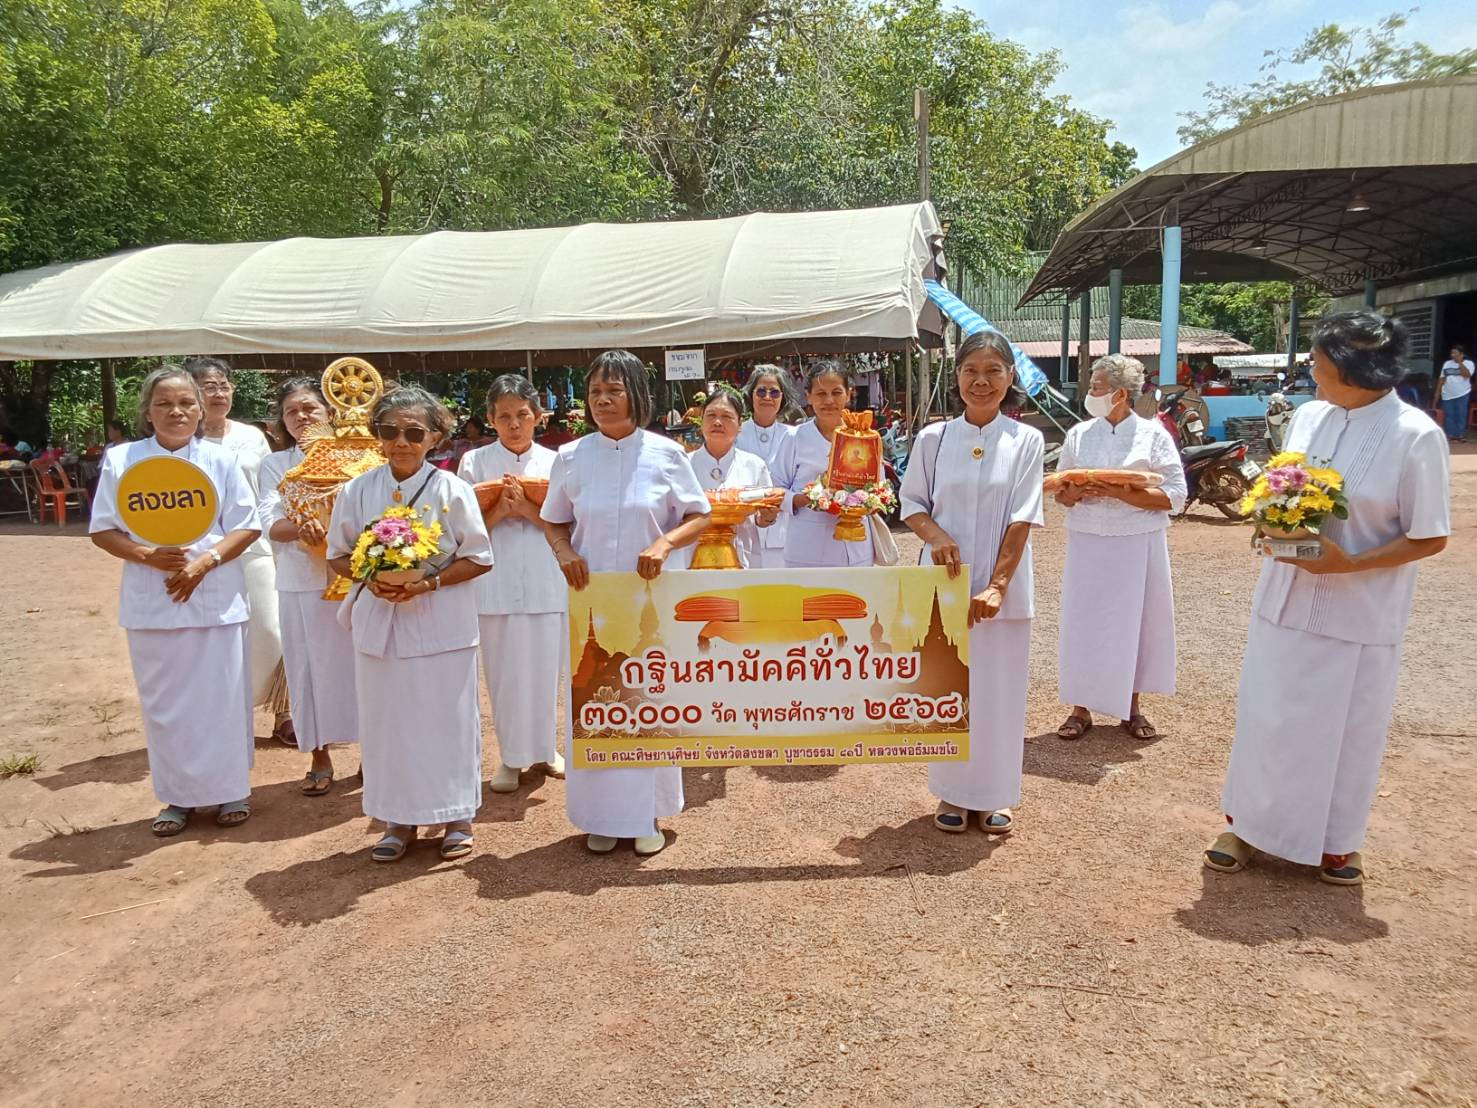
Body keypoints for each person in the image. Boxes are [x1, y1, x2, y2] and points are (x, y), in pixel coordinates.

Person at [1206, 311, 1449, 885]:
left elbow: (1431, 534)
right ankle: (1246, 827)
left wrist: (1352, 563)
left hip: (1358, 611)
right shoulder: (1309, 417)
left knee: (1345, 728)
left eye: (1321, 365)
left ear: (1360, 370)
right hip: (1284, 598)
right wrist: (1271, 523)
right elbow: (1282, 484)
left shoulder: (1416, 435)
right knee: (1267, 716)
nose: (1312, 373)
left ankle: (1339, 842)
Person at [541, 350, 710, 855]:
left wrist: (663, 544)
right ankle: (601, 814)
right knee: (597, 700)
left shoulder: (667, 454)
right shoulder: (571, 457)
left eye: (614, 390)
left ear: (637, 394)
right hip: (591, 604)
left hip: (650, 603)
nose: (604, 400)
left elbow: (699, 515)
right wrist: (564, 550)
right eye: (595, 392)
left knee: (648, 697)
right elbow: (554, 519)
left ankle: (645, 814)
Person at [89, 365, 261, 836]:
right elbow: (103, 529)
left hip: (217, 594)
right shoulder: (123, 460)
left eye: (186, 402)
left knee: (222, 697)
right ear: (147, 412)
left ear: (201, 409)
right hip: (153, 601)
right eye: (164, 403)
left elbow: (246, 525)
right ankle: (177, 798)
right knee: (165, 705)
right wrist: (147, 554)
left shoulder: (222, 460)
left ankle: (231, 792)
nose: (176, 411)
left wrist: (203, 563)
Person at [327, 385, 493, 863]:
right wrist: (372, 574)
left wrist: (428, 583)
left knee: (447, 719)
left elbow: (480, 558)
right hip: (381, 621)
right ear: (376, 434)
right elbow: (338, 554)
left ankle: (457, 816)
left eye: (414, 432)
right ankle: (397, 820)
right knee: (388, 723)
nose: (401, 441)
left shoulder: (452, 489)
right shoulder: (357, 490)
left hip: (442, 622)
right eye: (389, 431)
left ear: (435, 437)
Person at [901, 330, 1045, 834]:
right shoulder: (932, 439)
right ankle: (952, 794)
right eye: (970, 371)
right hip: (941, 587)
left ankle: (996, 794)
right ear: (957, 376)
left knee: (1000, 691)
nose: (981, 382)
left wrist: (998, 586)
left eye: (993, 371)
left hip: (1001, 591)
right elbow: (911, 504)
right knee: (949, 685)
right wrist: (935, 535)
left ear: (1010, 377)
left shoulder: (1026, 440)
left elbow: (1023, 516)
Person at [1055, 354, 1187, 743]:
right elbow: (1061, 493)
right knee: (1085, 622)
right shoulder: (1079, 434)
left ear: (1121, 394)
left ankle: (1131, 706)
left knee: (1134, 622)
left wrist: (1118, 491)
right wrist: (1075, 492)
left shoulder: (1153, 435)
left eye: (1096, 387)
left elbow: (1174, 495)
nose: (1090, 393)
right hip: (1088, 540)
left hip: (1137, 541)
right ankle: (1080, 708)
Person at [457, 375, 567, 794]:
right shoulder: (474, 463)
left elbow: (566, 523)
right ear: (491, 419)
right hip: (495, 582)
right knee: (503, 674)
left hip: (544, 577)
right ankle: (509, 756)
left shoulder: (558, 461)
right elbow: (463, 529)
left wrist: (526, 508)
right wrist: (501, 513)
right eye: (504, 417)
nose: (514, 424)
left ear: (538, 416)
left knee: (546, 671)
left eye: (522, 415)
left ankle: (545, 750)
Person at [258, 378, 358, 796]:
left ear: (330, 412)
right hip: (301, 579)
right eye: (291, 412)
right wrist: (302, 529)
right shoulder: (276, 464)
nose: (301, 417)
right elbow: (266, 519)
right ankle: (319, 754)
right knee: (307, 669)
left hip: (354, 575)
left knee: (361, 665)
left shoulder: (358, 455)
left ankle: (373, 754)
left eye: (310, 409)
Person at [184, 357, 291, 743]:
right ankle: (224, 718)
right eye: (208, 386)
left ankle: (284, 712)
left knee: (271, 628)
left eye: (223, 385)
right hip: (203, 554)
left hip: (256, 546)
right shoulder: (183, 443)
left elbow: (270, 492)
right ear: (192, 392)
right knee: (216, 637)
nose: (218, 393)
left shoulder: (251, 436)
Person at [776, 361, 876, 567]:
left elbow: (878, 486)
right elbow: (775, 489)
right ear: (808, 396)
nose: (829, 400)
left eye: (837, 392)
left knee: (858, 598)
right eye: (821, 394)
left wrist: (868, 502)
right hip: (807, 548)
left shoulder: (864, 437)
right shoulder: (794, 437)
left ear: (849, 394)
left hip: (855, 547)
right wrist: (803, 499)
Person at [680, 389, 777, 567]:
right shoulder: (682, 465)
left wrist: (767, 517)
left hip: (742, 559)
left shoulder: (754, 465)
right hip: (692, 560)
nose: (717, 422)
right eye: (711, 415)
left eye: (726, 416)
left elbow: (762, 518)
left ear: (740, 424)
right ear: (701, 421)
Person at [736, 364, 800, 568]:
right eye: (761, 391)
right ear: (751, 395)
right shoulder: (735, 433)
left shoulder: (794, 436)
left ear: (783, 398)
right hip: (744, 527)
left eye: (774, 392)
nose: (767, 397)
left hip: (785, 531)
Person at [1436, 343, 1473, 442]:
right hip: (1447, 394)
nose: (1452, 355)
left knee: (1461, 414)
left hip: (1462, 393)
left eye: (1455, 353)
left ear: (1461, 354)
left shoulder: (1469, 363)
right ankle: (1451, 435)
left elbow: (1467, 375)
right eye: (1451, 353)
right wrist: (1437, 394)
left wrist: (1460, 363)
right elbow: (1441, 379)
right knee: (1449, 415)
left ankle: (1460, 435)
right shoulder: (1447, 363)